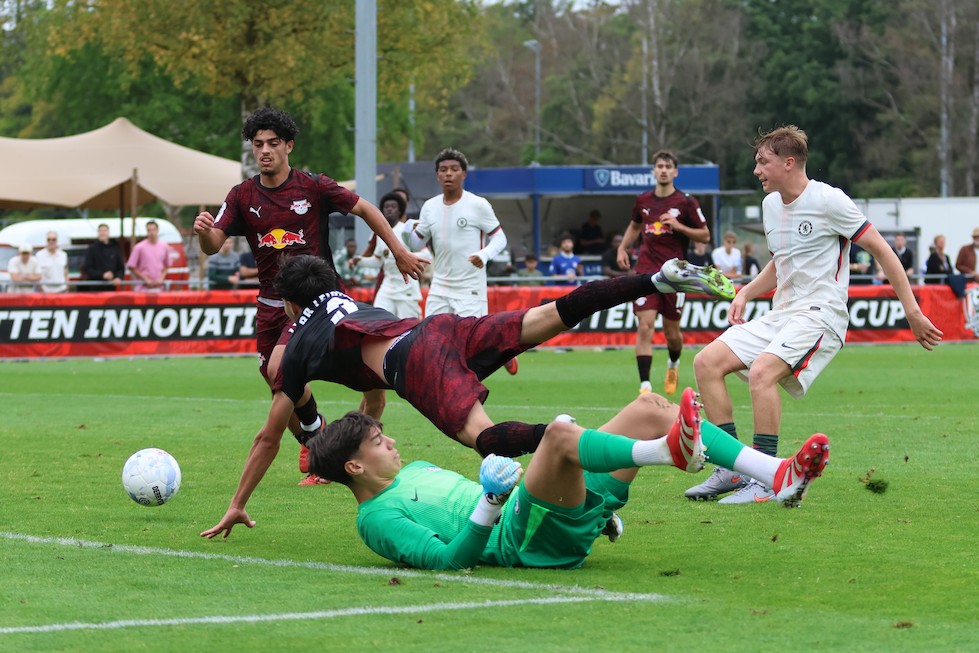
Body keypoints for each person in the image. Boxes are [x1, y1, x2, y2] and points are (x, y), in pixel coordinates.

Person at [198, 253, 736, 539]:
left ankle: (617, 452)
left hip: (415, 362)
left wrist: (236, 503)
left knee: (486, 440)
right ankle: (657, 279)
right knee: (550, 314)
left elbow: (270, 436)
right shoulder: (343, 298)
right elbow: (372, 390)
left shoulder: (296, 346)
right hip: (440, 328)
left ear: (290, 307)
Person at [300, 388, 830, 570]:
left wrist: (598, 517)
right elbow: (448, 560)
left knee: (649, 405)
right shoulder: (375, 519)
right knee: (558, 434)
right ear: (354, 466)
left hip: (541, 518)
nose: (391, 442)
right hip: (523, 542)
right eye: (378, 442)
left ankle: (776, 473)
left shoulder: (413, 470)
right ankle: (664, 452)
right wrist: (488, 501)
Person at [689, 125, 943, 504]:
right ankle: (731, 469)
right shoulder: (770, 204)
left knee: (761, 373)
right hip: (783, 313)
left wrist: (913, 311)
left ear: (789, 163)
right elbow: (781, 261)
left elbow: (883, 251)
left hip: (821, 314)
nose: (756, 170)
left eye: (763, 162)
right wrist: (746, 291)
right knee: (706, 362)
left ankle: (767, 478)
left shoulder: (830, 201)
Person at [193, 106, 429, 486]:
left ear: (289, 146)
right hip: (273, 306)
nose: (264, 150)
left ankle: (353, 446)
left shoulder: (313, 186)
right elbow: (212, 245)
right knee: (276, 383)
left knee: (346, 381)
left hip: (322, 302)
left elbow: (366, 208)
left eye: (272, 143)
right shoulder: (242, 195)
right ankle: (315, 436)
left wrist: (399, 250)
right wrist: (204, 230)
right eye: (257, 144)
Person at [404, 148, 516, 374]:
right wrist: (408, 229)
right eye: (443, 170)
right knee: (432, 340)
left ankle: (501, 350)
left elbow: (500, 238)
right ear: (437, 175)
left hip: (469, 287)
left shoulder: (478, 204)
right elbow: (416, 244)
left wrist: (483, 255)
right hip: (440, 286)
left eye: (454, 169)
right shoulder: (430, 206)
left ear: (464, 174)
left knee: (471, 345)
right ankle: (447, 391)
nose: (448, 174)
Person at [616, 150, 711, 397]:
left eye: (668, 166)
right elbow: (635, 224)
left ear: (675, 172)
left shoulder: (686, 202)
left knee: (672, 334)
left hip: (675, 274)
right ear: (654, 170)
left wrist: (679, 226)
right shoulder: (643, 200)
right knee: (645, 326)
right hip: (646, 272)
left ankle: (673, 364)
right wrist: (622, 247)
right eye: (659, 166)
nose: (664, 170)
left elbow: (705, 235)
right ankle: (645, 386)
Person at [361, 191, 424, 319]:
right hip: (387, 287)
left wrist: (416, 264)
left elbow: (425, 254)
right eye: (386, 207)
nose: (389, 209)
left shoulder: (407, 229)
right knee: (378, 321)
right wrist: (359, 261)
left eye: (393, 207)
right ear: (381, 211)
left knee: (409, 328)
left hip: (407, 288)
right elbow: (378, 261)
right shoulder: (380, 233)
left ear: (400, 211)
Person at [80, 223, 126, 291]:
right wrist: (102, 275)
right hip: (95, 288)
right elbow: (88, 269)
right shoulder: (92, 249)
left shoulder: (114, 248)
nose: (102, 233)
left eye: (105, 230)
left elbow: (121, 267)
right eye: (100, 231)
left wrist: (119, 277)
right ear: (97, 233)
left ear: (108, 232)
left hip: (111, 287)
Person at [127, 221, 170, 292]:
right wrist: (145, 279)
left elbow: (167, 265)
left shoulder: (164, 246)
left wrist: (161, 278)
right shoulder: (139, 247)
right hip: (142, 287)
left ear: (158, 230)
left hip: (159, 287)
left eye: (153, 229)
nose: (151, 232)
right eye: (149, 230)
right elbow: (131, 266)